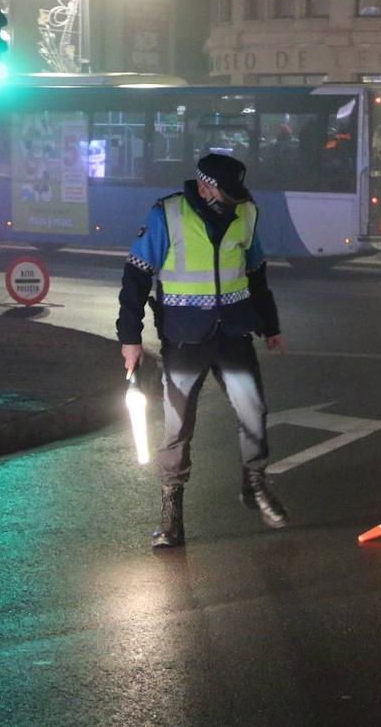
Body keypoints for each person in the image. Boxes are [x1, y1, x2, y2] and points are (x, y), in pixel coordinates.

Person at [117, 153, 287, 548]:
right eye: (225, 192)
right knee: (178, 427)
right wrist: (130, 339)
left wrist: (270, 325)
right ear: (205, 184)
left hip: (234, 334)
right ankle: (171, 517)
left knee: (254, 411)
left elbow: (257, 274)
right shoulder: (168, 214)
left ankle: (254, 483)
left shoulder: (246, 213)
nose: (231, 200)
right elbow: (135, 278)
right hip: (184, 337)